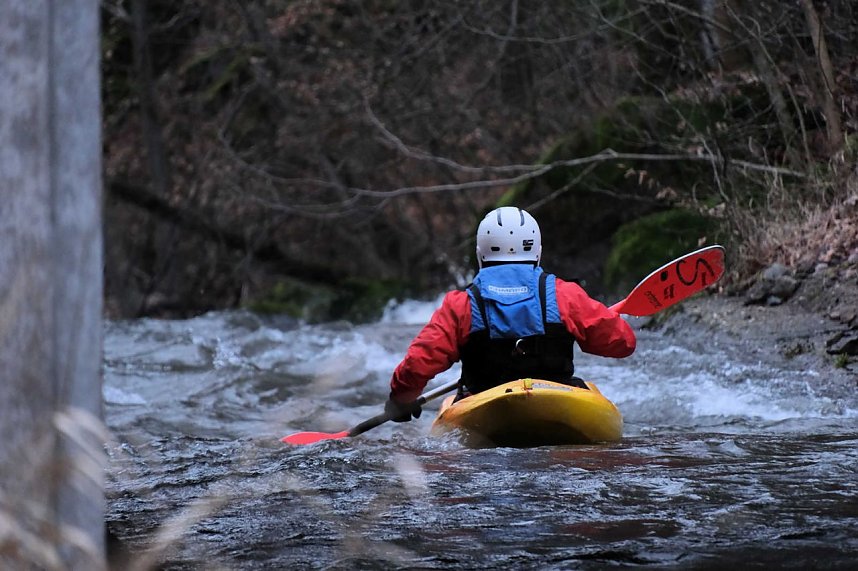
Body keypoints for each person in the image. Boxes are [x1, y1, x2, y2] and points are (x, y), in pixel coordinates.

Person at [384, 206, 636, 422]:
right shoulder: (565, 295)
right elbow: (623, 343)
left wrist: (401, 397)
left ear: (481, 253)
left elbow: (419, 362)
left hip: (483, 401)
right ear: (536, 250)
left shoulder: (460, 304)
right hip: (555, 398)